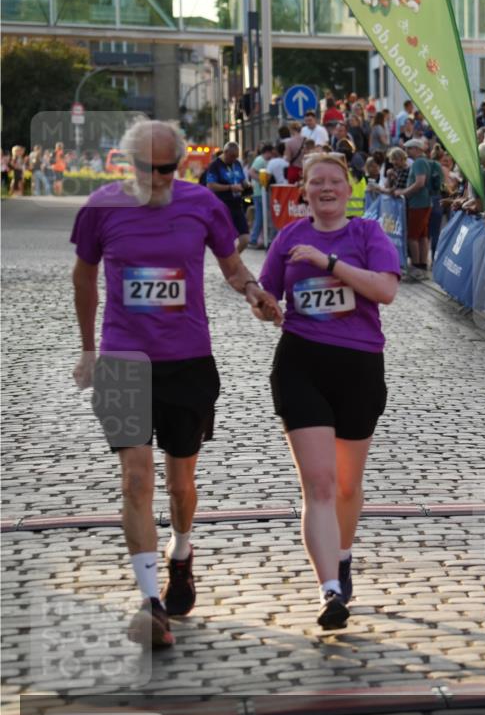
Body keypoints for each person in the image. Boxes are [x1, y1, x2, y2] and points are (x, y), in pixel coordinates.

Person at [70, 120, 282, 648]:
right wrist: (88, 349)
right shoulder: (101, 207)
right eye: (148, 168)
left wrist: (253, 291)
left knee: (179, 483)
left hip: (188, 360)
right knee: (135, 481)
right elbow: (82, 275)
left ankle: (181, 553)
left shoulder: (203, 205)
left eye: (168, 168)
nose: (159, 178)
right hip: (123, 360)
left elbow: (231, 266)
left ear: (182, 164)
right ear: (128, 163)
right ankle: (150, 602)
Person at [258, 153, 400, 629]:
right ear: (303, 191)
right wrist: (264, 306)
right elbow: (268, 295)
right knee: (317, 483)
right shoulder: (288, 238)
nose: (325, 188)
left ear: (347, 188)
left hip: (358, 367)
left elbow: (384, 290)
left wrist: (330, 262)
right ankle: (329, 591)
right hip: (301, 364)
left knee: (345, 485)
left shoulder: (366, 234)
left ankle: (342, 555)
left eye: (334, 181)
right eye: (315, 181)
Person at [206, 141, 251, 252]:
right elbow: (210, 185)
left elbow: (242, 179)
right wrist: (230, 187)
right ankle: (230, 263)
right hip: (223, 205)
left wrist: (246, 184)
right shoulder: (215, 166)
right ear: (225, 152)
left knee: (245, 239)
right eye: (232, 156)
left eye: (236, 157)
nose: (234, 159)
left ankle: (234, 259)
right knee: (227, 239)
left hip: (237, 204)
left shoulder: (237, 163)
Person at [397, 139, 432, 272]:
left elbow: (419, 183)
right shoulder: (423, 161)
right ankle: (422, 265)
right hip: (422, 202)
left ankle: (416, 266)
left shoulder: (418, 162)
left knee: (413, 236)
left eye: (409, 148)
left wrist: (404, 192)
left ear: (417, 149)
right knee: (422, 236)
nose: (407, 151)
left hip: (418, 203)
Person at [248, 142, 274, 247]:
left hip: (260, 192)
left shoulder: (262, 160)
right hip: (259, 192)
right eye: (271, 153)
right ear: (267, 152)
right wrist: (262, 181)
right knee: (260, 216)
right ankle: (253, 238)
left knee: (261, 216)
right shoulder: (260, 160)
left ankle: (256, 238)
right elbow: (252, 172)